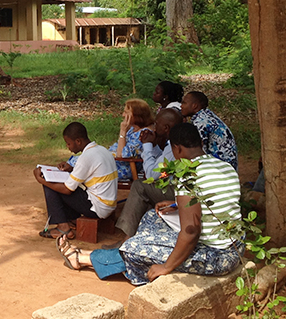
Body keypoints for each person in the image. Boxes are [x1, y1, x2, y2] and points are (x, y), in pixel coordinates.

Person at [56, 123, 243, 286]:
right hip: (235, 245)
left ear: (176, 149)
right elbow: (217, 201)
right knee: (153, 216)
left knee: (135, 249)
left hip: (216, 255)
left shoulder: (187, 174)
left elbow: (191, 231)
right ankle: (137, 249)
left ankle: (84, 258)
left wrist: (167, 266)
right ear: (201, 144)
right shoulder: (224, 167)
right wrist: (178, 204)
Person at [104, 108, 183, 248]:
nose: (154, 126)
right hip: (173, 187)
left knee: (140, 186)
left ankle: (126, 241)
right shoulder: (172, 144)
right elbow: (161, 161)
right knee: (144, 191)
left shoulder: (173, 147)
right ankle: (133, 240)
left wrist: (146, 145)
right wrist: (152, 145)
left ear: (166, 128)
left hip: (178, 192)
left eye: (157, 124)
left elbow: (153, 175)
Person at [33, 122, 118, 240]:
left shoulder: (86, 157)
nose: (67, 147)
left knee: (51, 184)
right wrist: (72, 170)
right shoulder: (102, 150)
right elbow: (92, 175)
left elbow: (67, 190)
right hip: (108, 205)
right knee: (62, 184)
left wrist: (42, 180)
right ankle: (71, 219)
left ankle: (63, 228)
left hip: (98, 208)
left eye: (68, 143)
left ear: (78, 141)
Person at [180, 91, 238, 170]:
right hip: (227, 165)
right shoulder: (206, 115)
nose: (181, 106)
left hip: (221, 168)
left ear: (194, 106)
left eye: (184, 103)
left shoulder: (201, 122)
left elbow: (197, 151)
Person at [108, 99, 154, 181]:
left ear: (136, 115)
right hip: (112, 163)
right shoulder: (132, 129)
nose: (123, 115)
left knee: (80, 165)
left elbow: (121, 155)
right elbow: (115, 147)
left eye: (126, 112)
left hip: (122, 169)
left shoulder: (144, 134)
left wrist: (122, 131)